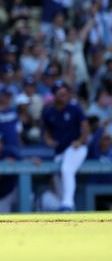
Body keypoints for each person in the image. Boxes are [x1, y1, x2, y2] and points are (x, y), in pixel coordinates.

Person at [42, 80, 90, 211]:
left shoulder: (74, 108)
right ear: (54, 95)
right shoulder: (48, 112)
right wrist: (48, 140)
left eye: (65, 93)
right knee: (60, 184)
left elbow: (86, 128)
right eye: (60, 93)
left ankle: (68, 204)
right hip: (59, 152)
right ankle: (68, 211)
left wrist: (80, 140)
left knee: (66, 170)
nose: (63, 95)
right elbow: (46, 132)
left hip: (76, 148)